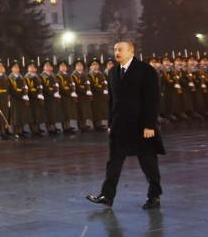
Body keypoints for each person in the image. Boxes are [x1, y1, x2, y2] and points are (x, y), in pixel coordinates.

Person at [86, 41, 165, 210]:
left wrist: (150, 125)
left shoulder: (145, 70)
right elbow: (112, 101)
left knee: (148, 162)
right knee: (114, 161)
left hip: (141, 125)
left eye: (120, 49)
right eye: (115, 49)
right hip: (120, 125)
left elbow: (153, 99)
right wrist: (110, 122)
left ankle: (154, 196)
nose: (117, 52)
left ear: (131, 51)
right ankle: (107, 195)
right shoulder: (113, 71)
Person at [40, 61, 63, 135]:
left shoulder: (53, 75)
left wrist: (56, 92)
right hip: (47, 96)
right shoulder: (42, 76)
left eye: (50, 66)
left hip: (53, 97)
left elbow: (56, 84)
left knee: (53, 112)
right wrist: (53, 92)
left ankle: (53, 126)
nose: (48, 67)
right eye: (46, 66)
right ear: (43, 67)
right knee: (48, 113)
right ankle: (49, 128)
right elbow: (44, 87)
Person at [23, 63, 45, 136]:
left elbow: (40, 86)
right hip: (31, 98)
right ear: (28, 69)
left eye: (33, 67)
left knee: (37, 114)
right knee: (32, 114)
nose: (32, 69)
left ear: (36, 69)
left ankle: (37, 127)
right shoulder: (26, 77)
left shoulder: (37, 76)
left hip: (37, 98)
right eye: (30, 67)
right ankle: (33, 130)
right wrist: (36, 95)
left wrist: (40, 94)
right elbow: (27, 89)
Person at [57, 62, 78, 133]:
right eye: (62, 66)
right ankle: (65, 127)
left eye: (65, 66)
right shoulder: (58, 76)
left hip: (68, 96)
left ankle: (68, 126)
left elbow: (71, 84)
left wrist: (72, 91)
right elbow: (61, 87)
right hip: (63, 96)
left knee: (68, 112)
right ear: (59, 67)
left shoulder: (68, 75)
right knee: (64, 112)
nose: (63, 68)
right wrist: (70, 92)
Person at [89, 59, 110, 131]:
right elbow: (91, 84)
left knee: (100, 109)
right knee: (95, 110)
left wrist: (104, 89)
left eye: (97, 65)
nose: (95, 66)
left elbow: (104, 82)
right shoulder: (89, 75)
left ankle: (100, 123)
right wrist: (100, 87)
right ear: (90, 67)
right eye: (93, 65)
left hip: (101, 95)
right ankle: (96, 124)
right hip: (94, 94)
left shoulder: (101, 74)